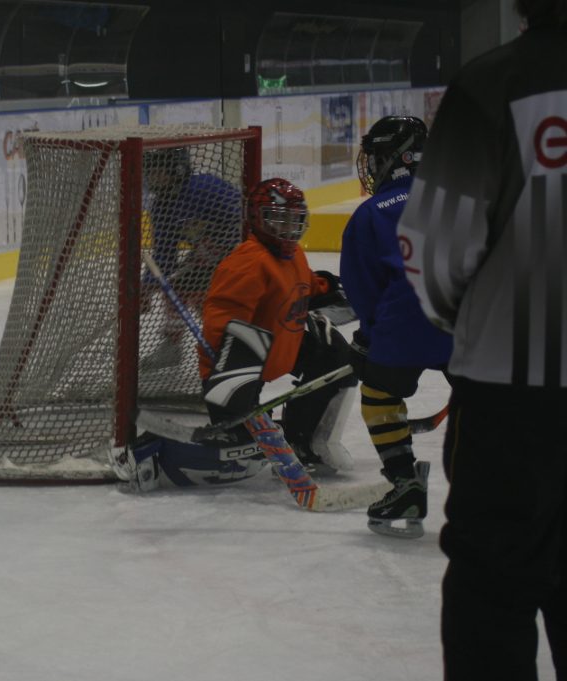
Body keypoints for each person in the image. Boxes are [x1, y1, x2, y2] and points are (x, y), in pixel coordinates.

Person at [395, 0, 567, 676]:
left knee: (493, 586)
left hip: (510, 393)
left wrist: (469, 322)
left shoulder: (494, 83)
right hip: (509, 386)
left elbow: (435, 246)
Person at [121, 177, 356, 490]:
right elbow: (222, 325)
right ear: (258, 220)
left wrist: (332, 289)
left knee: (332, 349)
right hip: (233, 369)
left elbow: (304, 287)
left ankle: (304, 439)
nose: (288, 230)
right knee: (238, 447)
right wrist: (235, 395)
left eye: (294, 221)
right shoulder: (248, 262)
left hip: (277, 347)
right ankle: (158, 454)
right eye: (279, 221)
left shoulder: (293, 256)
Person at [339, 115, 453, 539]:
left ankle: (405, 484)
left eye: (377, 157)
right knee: (490, 402)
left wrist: (369, 339)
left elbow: (364, 291)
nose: (372, 166)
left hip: (405, 323)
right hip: (473, 325)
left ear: (396, 159)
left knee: (378, 391)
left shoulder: (371, 214)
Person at [138, 147, 245, 370]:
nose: (152, 178)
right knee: (179, 285)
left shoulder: (206, 188)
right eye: (150, 173)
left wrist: (222, 244)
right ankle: (175, 345)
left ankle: (229, 340)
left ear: (176, 169)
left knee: (219, 297)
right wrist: (148, 286)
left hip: (243, 256)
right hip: (208, 259)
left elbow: (243, 217)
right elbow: (164, 255)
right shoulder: (162, 207)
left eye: (158, 171)